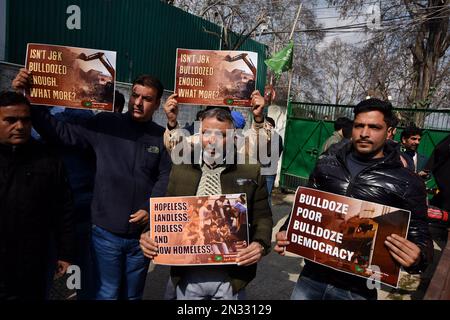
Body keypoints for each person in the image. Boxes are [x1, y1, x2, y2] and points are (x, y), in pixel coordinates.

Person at [12, 69, 172, 300]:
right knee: (106, 293)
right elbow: (61, 132)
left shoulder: (161, 136)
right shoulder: (105, 124)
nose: (138, 103)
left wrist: (150, 208)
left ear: (157, 103)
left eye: (146, 99)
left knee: (133, 296)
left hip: (142, 239)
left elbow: (165, 175)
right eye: (135, 96)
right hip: (105, 233)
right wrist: (29, 100)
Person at [274, 98, 433, 300]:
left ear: (389, 131)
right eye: (359, 126)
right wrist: (285, 231)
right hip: (311, 278)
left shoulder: (408, 182)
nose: (365, 133)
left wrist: (418, 257)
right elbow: (305, 206)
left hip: (359, 290)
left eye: (374, 127)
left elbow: (421, 236)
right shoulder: (327, 165)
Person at [139, 105, 273, 300]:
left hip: (230, 277)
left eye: (221, 135)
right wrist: (149, 234)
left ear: (234, 136)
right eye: (206, 133)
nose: (212, 140)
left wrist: (260, 244)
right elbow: (165, 210)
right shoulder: (181, 167)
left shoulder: (250, 170)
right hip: (187, 273)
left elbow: (263, 216)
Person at [0, 91, 75, 300]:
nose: (20, 126)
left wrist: (65, 253)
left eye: (25, 120)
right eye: (11, 120)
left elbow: (64, 209)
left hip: (33, 262)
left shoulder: (48, 159)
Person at [259, 116, 283, 207]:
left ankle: (266, 218)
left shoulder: (277, 138)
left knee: (267, 195)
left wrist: (269, 139)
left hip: (269, 170)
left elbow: (274, 154)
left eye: (266, 124)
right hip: (258, 169)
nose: (264, 126)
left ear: (271, 126)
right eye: (263, 124)